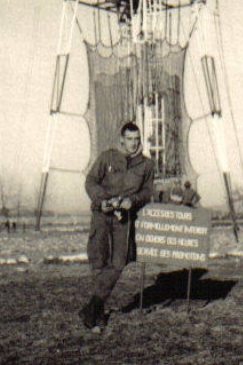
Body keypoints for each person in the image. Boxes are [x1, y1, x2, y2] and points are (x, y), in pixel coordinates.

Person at [80, 122, 154, 332]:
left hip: (124, 218)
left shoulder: (146, 165)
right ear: (121, 139)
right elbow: (90, 182)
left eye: (137, 139)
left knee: (120, 262)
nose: (133, 143)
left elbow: (148, 192)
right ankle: (98, 313)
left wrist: (134, 200)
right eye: (129, 139)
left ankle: (91, 309)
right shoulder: (107, 157)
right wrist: (101, 200)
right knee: (99, 260)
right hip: (102, 214)